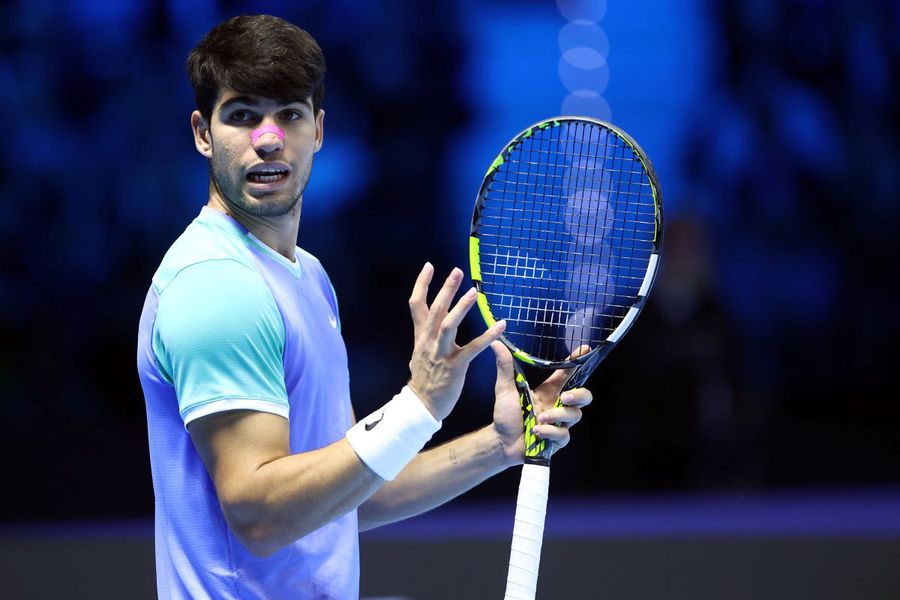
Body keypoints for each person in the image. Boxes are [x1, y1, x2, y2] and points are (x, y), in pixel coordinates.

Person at [137, 14, 592, 599]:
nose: (269, 138)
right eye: (243, 115)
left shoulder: (308, 277)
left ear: (319, 130)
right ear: (203, 133)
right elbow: (259, 515)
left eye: (290, 115)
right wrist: (419, 404)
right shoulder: (216, 287)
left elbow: (350, 493)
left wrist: (498, 445)